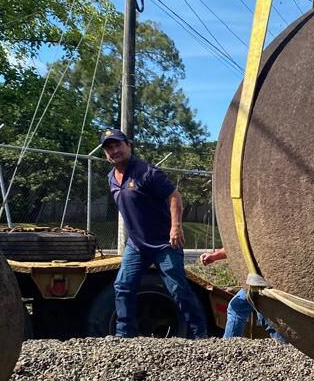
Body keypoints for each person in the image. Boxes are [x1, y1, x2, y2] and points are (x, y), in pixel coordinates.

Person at [102, 128, 209, 339]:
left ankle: (200, 334)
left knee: (177, 289)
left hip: (164, 243)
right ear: (105, 154)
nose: (115, 151)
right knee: (123, 285)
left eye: (118, 145)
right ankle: (124, 334)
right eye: (109, 148)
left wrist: (176, 227)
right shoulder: (111, 178)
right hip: (137, 245)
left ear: (128, 145)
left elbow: (174, 196)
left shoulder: (146, 172)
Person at [200, 247, 284, 341]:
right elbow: (235, 245)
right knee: (239, 307)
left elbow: (236, 246)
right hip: (260, 277)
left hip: (262, 278)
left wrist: (214, 256)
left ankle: (286, 348)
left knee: (264, 315)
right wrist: (214, 256)